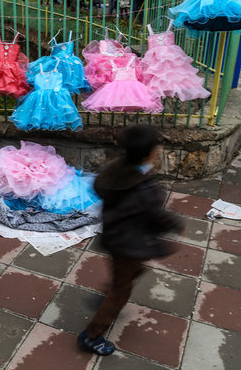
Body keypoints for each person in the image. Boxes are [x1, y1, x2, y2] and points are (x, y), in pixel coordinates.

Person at [77, 124, 184, 356]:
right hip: (128, 245)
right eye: (157, 148)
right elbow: (153, 216)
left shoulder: (114, 170)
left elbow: (100, 187)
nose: (159, 151)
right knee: (121, 291)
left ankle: (110, 293)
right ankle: (91, 336)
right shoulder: (145, 189)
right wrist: (173, 224)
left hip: (115, 238)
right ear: (149, 154)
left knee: (131, 272)